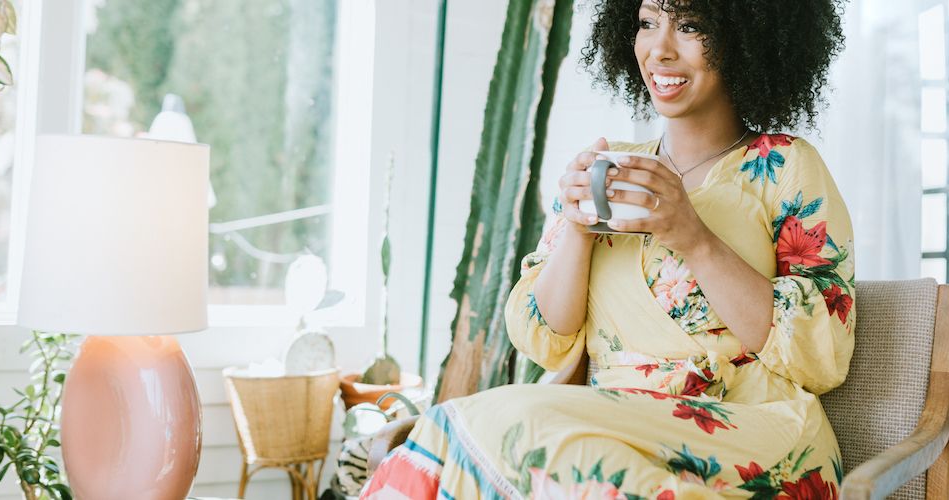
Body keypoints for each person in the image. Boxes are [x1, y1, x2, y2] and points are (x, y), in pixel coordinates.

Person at [363, 0, 852, 497]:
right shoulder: (613, 169)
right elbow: (546, 335)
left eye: (689, 26)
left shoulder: (788, 165)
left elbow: (820, 357)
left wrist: (692, 235)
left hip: (750, 432)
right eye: (646, 23)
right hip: (614, 424)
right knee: (475, 426)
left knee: (526, 438)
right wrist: (577, 226)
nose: (659, 50)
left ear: (745, 39)